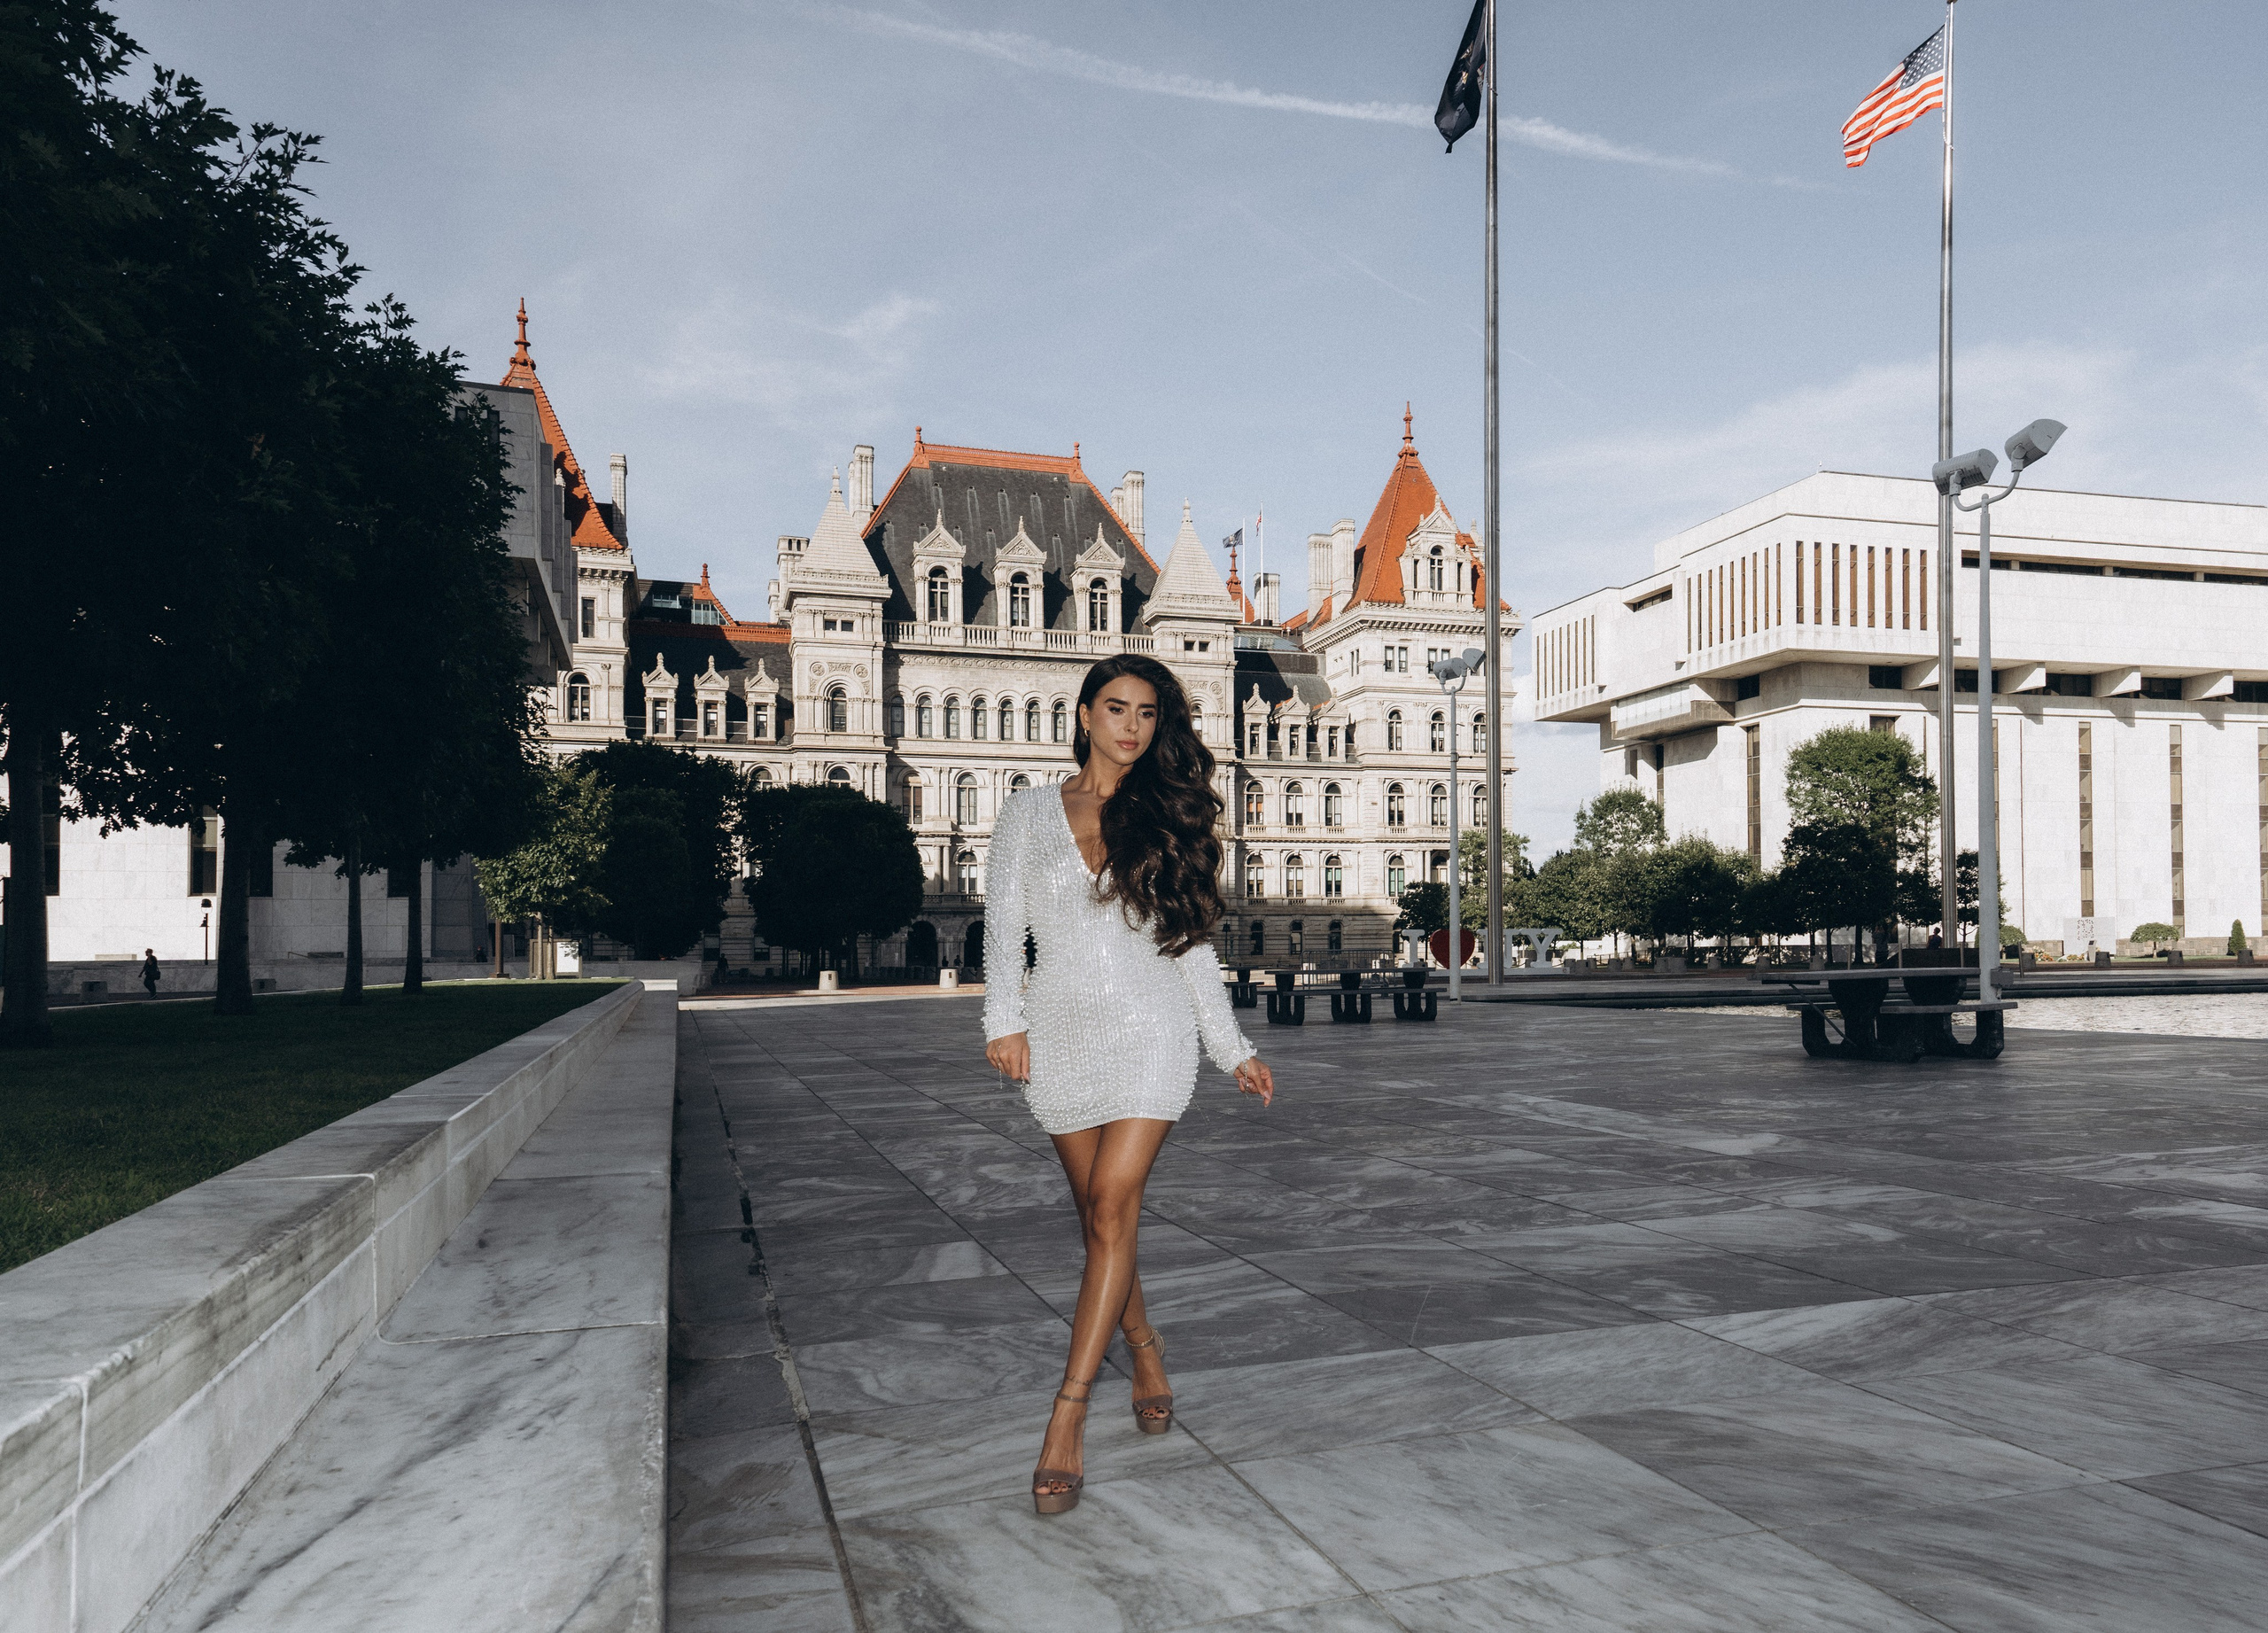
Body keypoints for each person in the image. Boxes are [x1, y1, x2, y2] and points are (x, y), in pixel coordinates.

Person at [983, 655, 1273, 1516]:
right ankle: (1143, 1347)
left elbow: (1190, 949)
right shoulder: (1030, 813)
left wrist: (1229, 1048)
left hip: (1152, 1033)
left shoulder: (1166, 820)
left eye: (1147, 713)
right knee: (1100, 1221)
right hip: (1062, 1037)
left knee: (1112, 1205)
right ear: (1083, 714)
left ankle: (1066, 1415)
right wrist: (1002, 1018)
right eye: (1116, 708)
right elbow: (1003, 927)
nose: (1131, 726)